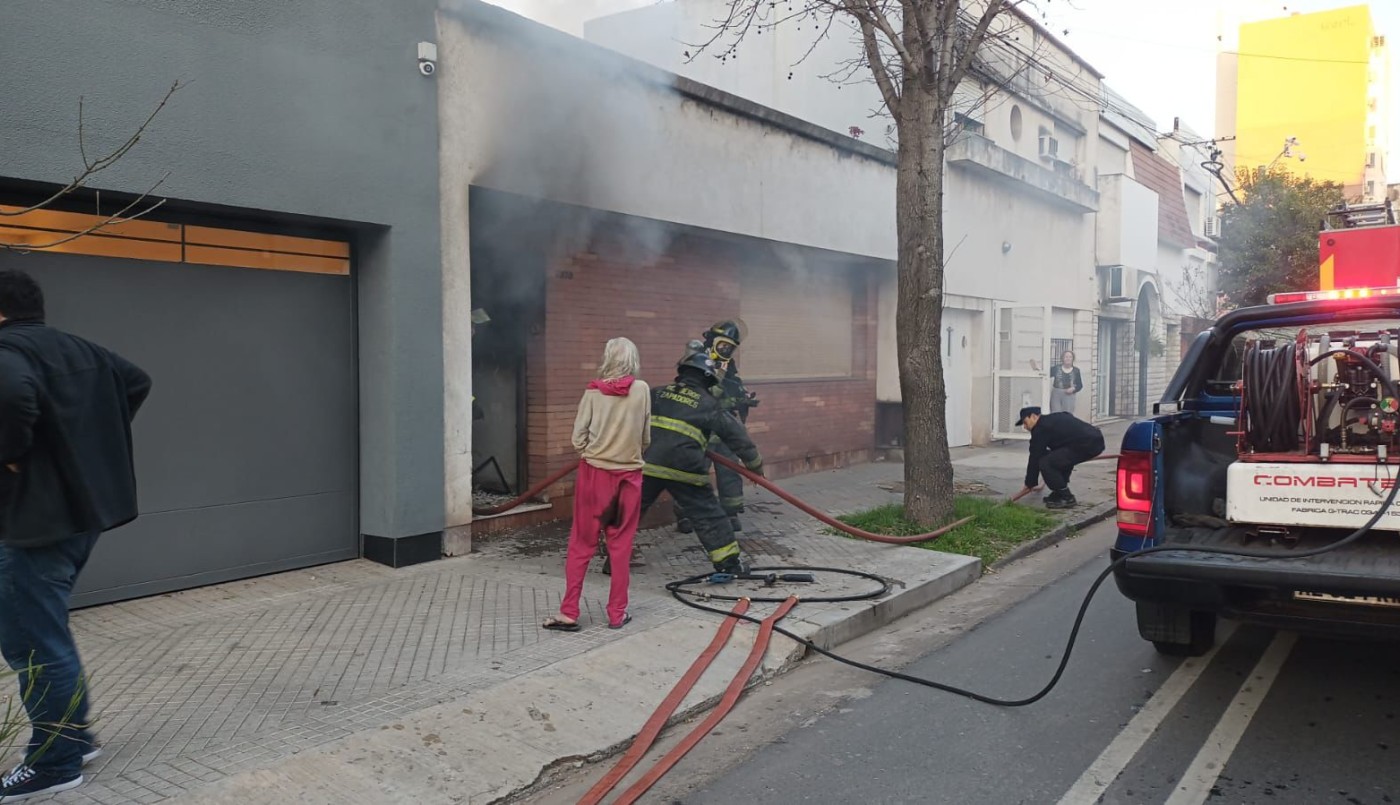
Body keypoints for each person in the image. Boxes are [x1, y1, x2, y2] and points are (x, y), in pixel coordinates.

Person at [0, 268, 151, 800]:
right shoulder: (75, 347)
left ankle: (54, 761)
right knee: (49, 634)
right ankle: (76, 736)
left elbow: (14, 397)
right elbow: (136, 380)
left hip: (35, 527)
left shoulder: (8, 354)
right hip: (79, 520)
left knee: (33, 644)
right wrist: (83, 444)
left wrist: (14, 453)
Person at [543, 338, 650, 632]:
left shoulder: (592, 393)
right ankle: (617, 613)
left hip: (594, 476)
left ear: (606, 358)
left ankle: (569, 612)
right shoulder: (641, 390)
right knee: (621, 546)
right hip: (629, 477)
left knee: (581, 545)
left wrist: (594, 450)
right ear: (633, 359)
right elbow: (645, 435)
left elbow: (578, 438)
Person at [644, 343, 764, 575]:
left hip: (650, 466)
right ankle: (728, 564)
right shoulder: (710, 404)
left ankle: (612, 557)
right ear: (708, 380)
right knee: (708, 514)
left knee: (629, 511)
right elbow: (737, 436)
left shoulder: (655, 393)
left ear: (682, 372)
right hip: (685, 470)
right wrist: (755, 464)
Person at [675, 320, 756, 534]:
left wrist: (743, 397)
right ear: (711, 340)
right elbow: (700, 394)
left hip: (721, 429)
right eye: (722, 345)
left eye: (730, 347)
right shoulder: (696, 360)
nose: (725, 351)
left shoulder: (727, 364)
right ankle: (685, 515)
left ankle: (731, 513)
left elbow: (733, 385)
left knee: (729, 469)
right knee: (691, 472)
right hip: (698, 428)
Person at [1017, 405, 1104, 509]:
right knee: (1058, 458)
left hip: (1089, 444)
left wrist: (1030, 483)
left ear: (1034, 416)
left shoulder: (1041, 428)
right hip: (1093, 440)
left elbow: (1035, 457)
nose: (1025, 427)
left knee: (1046, 462)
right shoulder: (1052, 420)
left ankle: (1067, 497)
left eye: (1025, 423)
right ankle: (1058, 493)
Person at [1049, 351, 1083, 415]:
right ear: (1062, 358)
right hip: (1056, 394)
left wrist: (1073, 389)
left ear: (1073, 359)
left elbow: (1080, 385)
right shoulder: (1056, 368)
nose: (1068, 358)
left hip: (1069, 395)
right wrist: (1038, 369)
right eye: (1066, 357)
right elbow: (1047, 373)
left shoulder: (1076, 370)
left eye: (1070, 357)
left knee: (1067, 415)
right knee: (1055, 414)